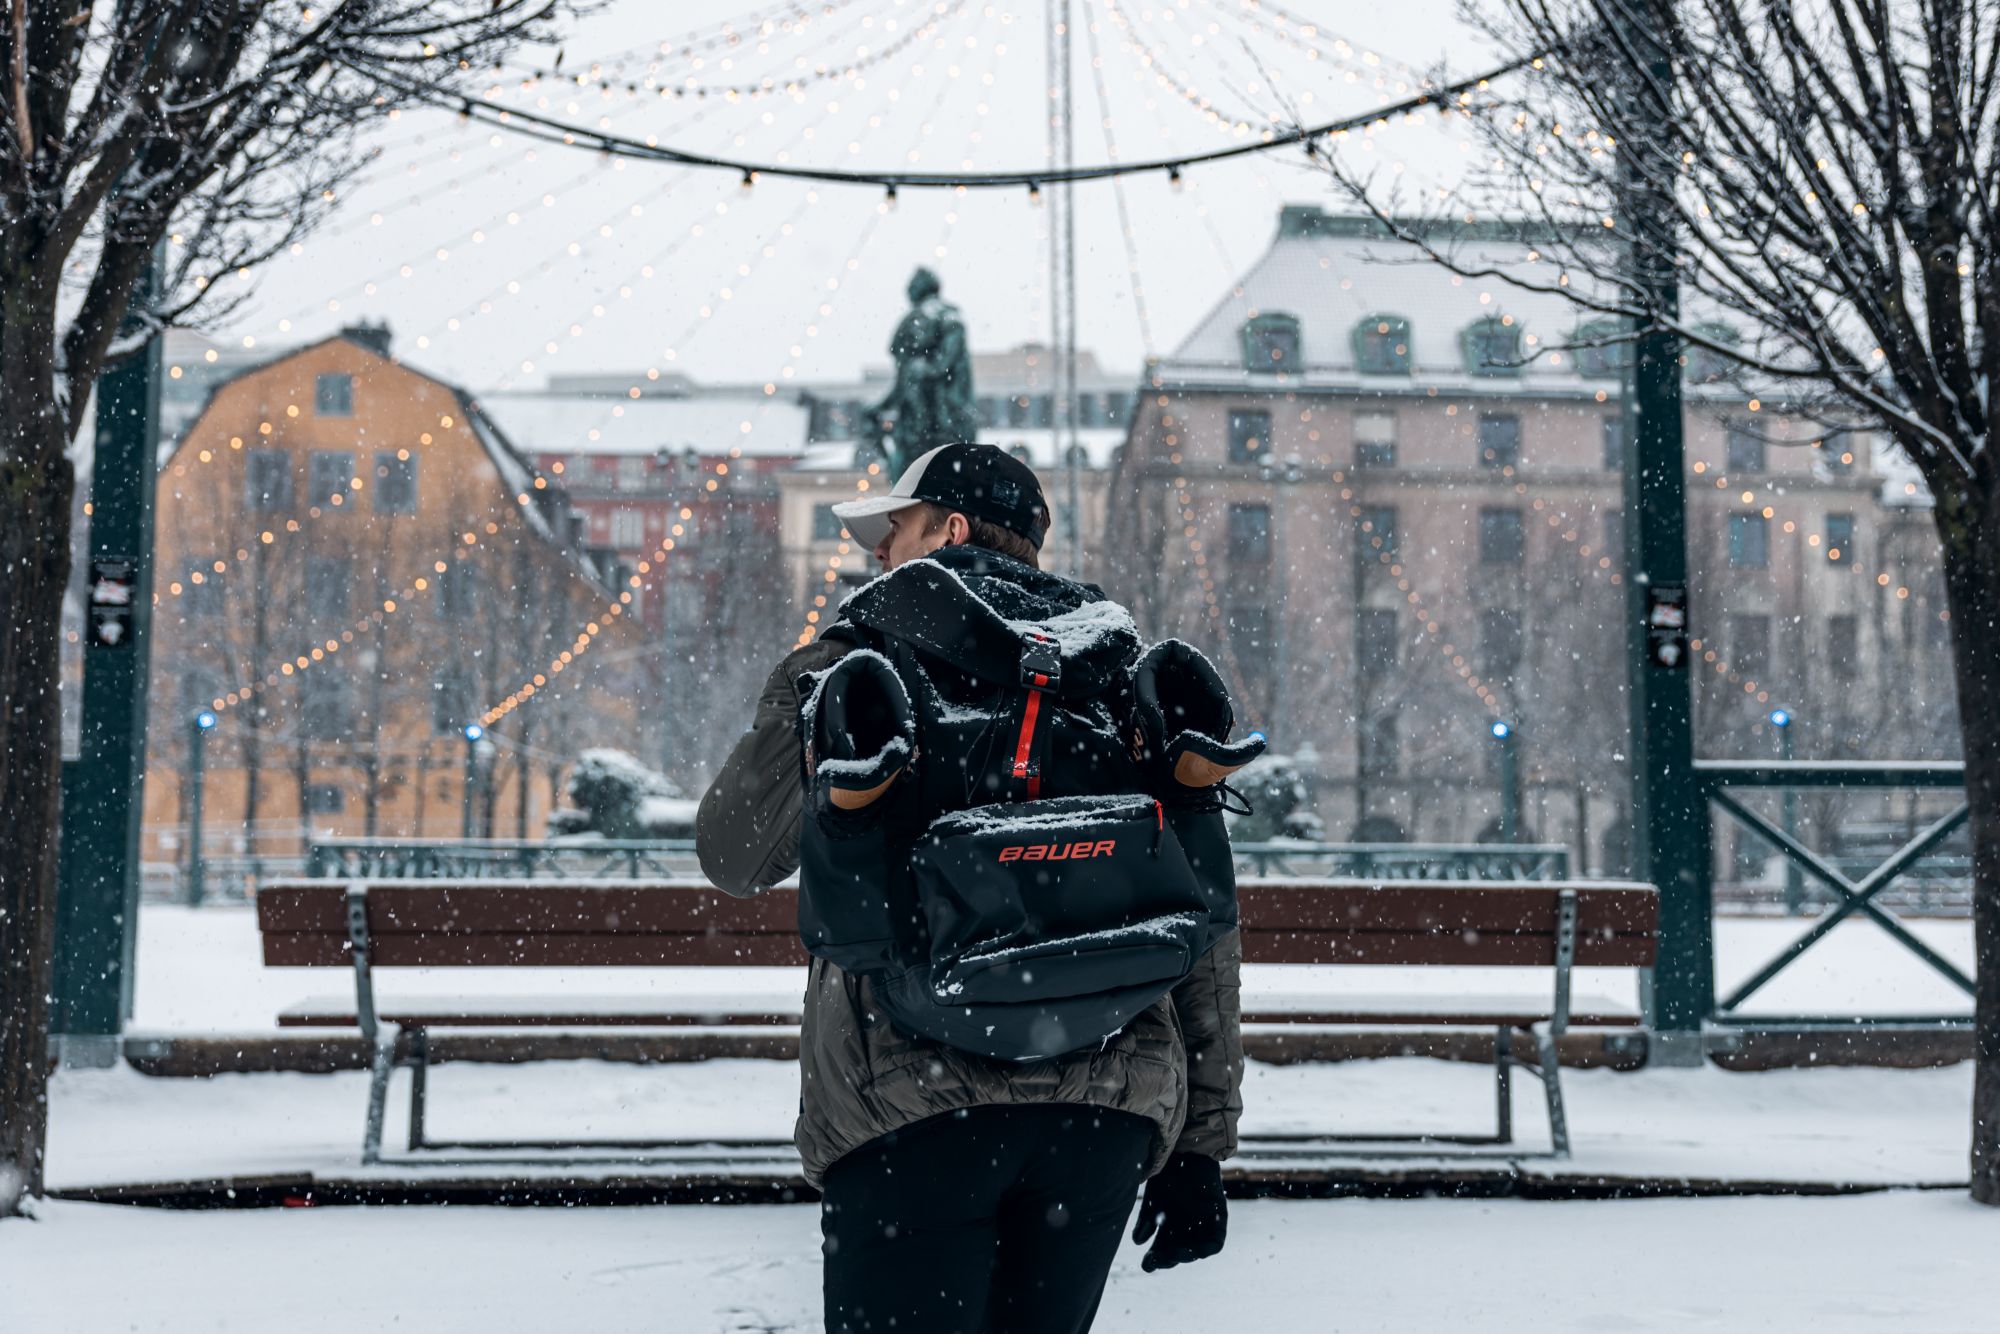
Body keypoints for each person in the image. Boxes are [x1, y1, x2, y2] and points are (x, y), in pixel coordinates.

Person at [697, 443, 1243, 1334]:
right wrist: (1202, 1147)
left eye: (895, 529)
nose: (879, 554)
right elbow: (1206, 920)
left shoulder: (852, 666)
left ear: (949, 530)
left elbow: (733, 855)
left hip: (910, 1102)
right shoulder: (1123, 676)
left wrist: (806, 699)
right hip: (1105, 1112)